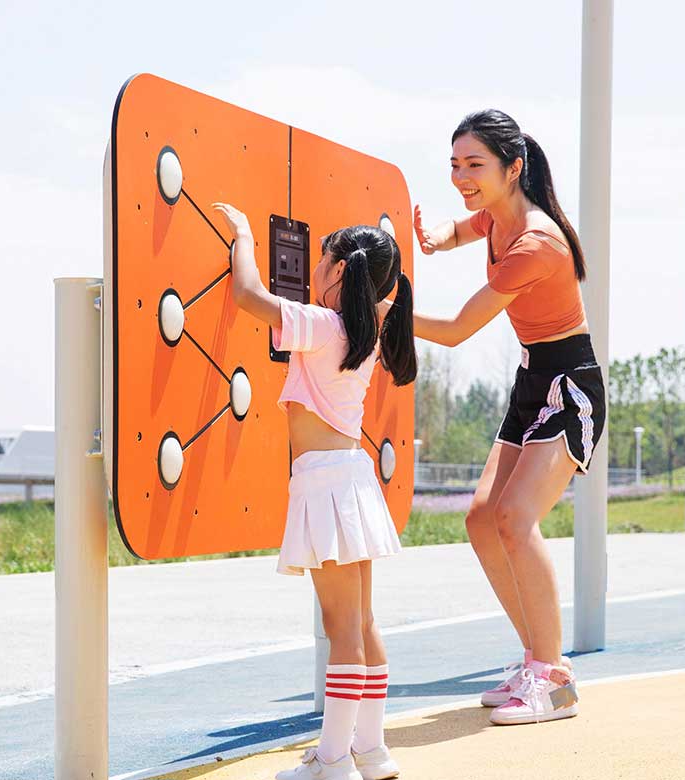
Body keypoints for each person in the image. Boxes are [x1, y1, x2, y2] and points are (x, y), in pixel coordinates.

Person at [408, 109, 605, 726]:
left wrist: (381, 310)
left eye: (475, 165)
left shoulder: (536, 242)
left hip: (569, 385)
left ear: (513, 168)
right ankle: (539, 659)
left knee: (516, 519)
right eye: (455, 165)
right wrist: (436, 236)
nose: (461, 177)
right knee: (480, 519)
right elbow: (464, 228)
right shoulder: (496, 216)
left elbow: (457, 330)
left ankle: (554, 680)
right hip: (531, 379)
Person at [211, 203, 416, 780]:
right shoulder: (365, 330)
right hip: (351, 479)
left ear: (340, 271)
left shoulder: (325, 326)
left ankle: (332, 760)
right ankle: (370, 751)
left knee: (342, 629)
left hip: (326, 483)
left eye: (321, 261)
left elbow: (248, 295)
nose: (313, 271)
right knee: (363, 624)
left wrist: (244, 234)